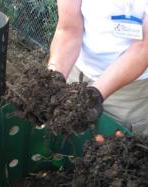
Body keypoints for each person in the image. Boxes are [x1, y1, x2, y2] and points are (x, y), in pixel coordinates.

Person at [48, 0, 148, 135]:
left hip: (129, 91)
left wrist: (94, 95)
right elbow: (68, 29)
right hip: (75, 70)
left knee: (112, 147)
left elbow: (142, 49)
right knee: (60, 132)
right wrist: (53, 79)